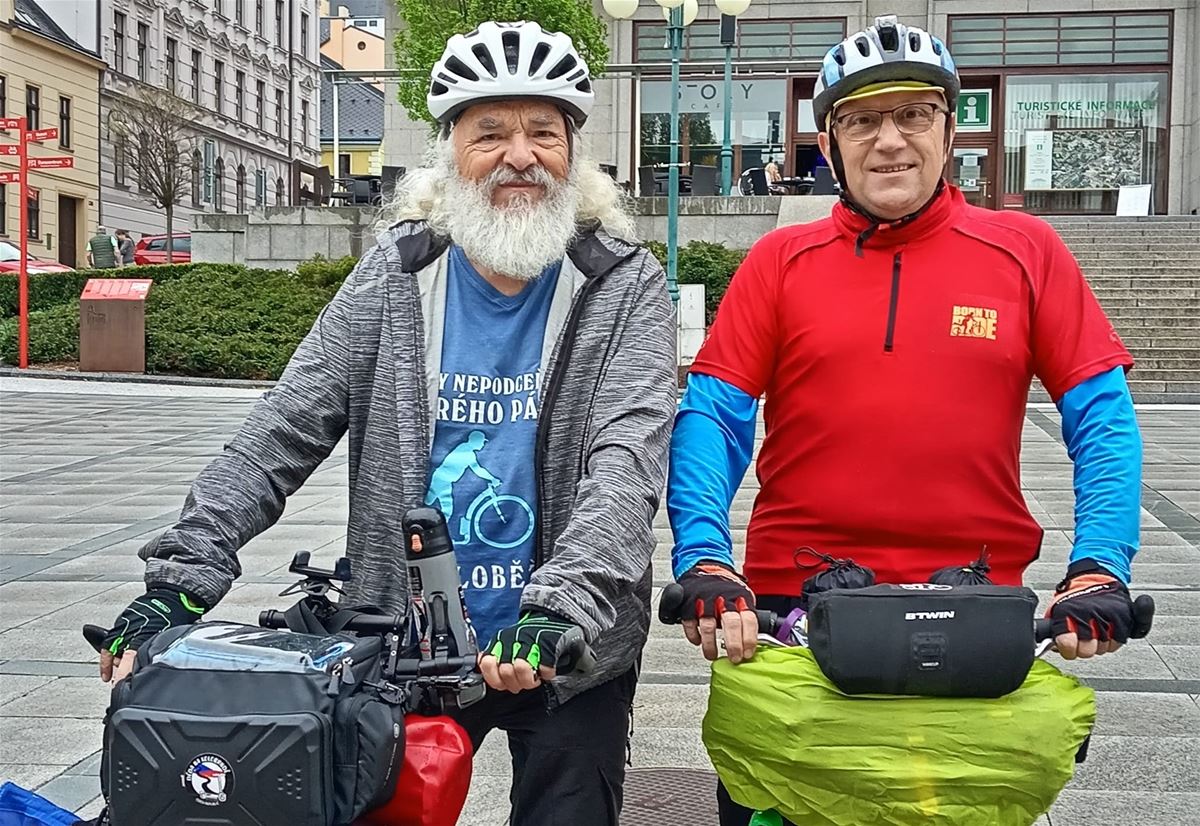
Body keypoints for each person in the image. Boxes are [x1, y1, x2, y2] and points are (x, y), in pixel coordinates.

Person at [94, 21, 677, 826]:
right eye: (491, 134)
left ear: (574, 155)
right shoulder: (396, 275)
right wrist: (182, 579)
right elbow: (282, 429)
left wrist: (561, 609)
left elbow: (627, 462)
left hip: (567, 648)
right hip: (407, 643)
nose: (520, 155)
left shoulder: (624, 284)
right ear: (451, 154)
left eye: (544, 132)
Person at [665, 17, 1142, 826]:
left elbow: (1101, 416)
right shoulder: (781, 262)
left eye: (914, 114)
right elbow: (713, 414)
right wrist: (705, 558)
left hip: (974, 607)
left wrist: (1099, 565)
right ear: (830, 141)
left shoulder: (1025, 250)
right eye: (861, 120)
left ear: (949, 128)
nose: (890, 141)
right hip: (792, 608)